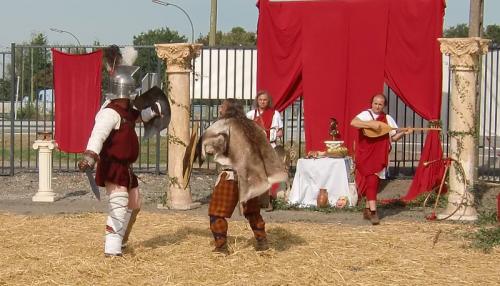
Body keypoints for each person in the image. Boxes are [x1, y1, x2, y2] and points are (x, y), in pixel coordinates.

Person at [78, 46, 163, 256]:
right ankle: (112, 250)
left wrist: (153, 111)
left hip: (126, 168)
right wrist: (90, 156)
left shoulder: (127, 109)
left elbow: (139, 115)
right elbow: (97, 135)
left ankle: (121, 241)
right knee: (118, 204)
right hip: (113, 166)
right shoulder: (109, 113)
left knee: (134, 204)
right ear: (122, 93)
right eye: (129, 95)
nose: (131, 98)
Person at [201, 99, 287, 255]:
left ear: (228, 110)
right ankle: (262, 242)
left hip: (231, 177)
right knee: (253, 212)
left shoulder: (223, 127)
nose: (220, 109)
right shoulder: (253, 126)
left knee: (216, 212)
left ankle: (221, 247)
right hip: (251, 177)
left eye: (222, 106)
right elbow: (264, 149)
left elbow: (210, 148)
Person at [350, 94, 411, 225]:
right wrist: (371, 124)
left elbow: (393, 137)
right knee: (371, 181)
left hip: (379, 154)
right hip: (365, 154)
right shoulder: (365, 115)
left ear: (384, 106)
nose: (377, 106)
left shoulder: (387, 118)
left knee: (373, 182)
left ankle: (368, 210)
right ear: (371, 103)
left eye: (380, 104)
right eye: (375, 103)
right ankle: (373, 212)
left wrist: (404, 132)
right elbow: (353, 122)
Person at [246, 91, 284, 210]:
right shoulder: (251, 114)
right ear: (257, 100)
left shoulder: (275, 114)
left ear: (268, 101)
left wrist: (279, 133)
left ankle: (267, 201)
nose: (262, 102)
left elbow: (280, 131)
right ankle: (253, 201)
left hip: (270, 147)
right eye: (260, 99)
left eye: (265, 100)